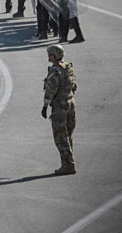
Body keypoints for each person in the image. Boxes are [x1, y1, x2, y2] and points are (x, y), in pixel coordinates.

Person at [42, 44, 77, 175]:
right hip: (70, 102)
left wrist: (45, 106)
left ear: (53, 55)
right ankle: (68, 161)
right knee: (68, 134)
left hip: (60, 106)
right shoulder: (68, 67)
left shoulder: (55, 70)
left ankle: (68, 164)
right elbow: (74, 85)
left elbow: (51, 89)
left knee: (61, 136)